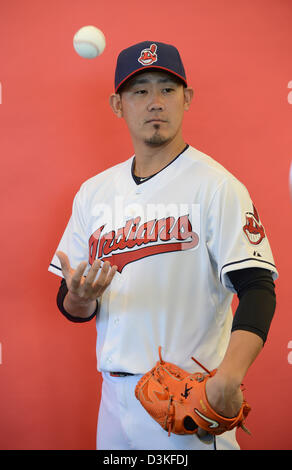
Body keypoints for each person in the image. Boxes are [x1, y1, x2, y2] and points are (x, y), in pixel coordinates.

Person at [48, 41, 278, 450]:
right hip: (114, 403)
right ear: (118, 105)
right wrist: (80, 299)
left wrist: (228, 377)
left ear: (186, 99)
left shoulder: (217, 186)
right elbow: (72, 301)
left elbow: (258, 287)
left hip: (186, 403)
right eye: (140, 91)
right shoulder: (94, 192)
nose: (155, 102)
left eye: (167, 89)